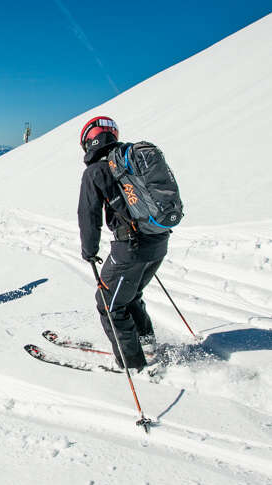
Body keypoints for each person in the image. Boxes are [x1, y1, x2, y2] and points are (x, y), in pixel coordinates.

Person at [78, 116, 170, 371]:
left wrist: (89, 251)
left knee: (108, 304)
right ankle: (147, 344)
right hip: (158, 240)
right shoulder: (131, 162)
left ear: (89, 141)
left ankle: (132, 364)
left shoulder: (95, 171)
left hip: (131, 247)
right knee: (130, 296)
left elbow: (89, 215)